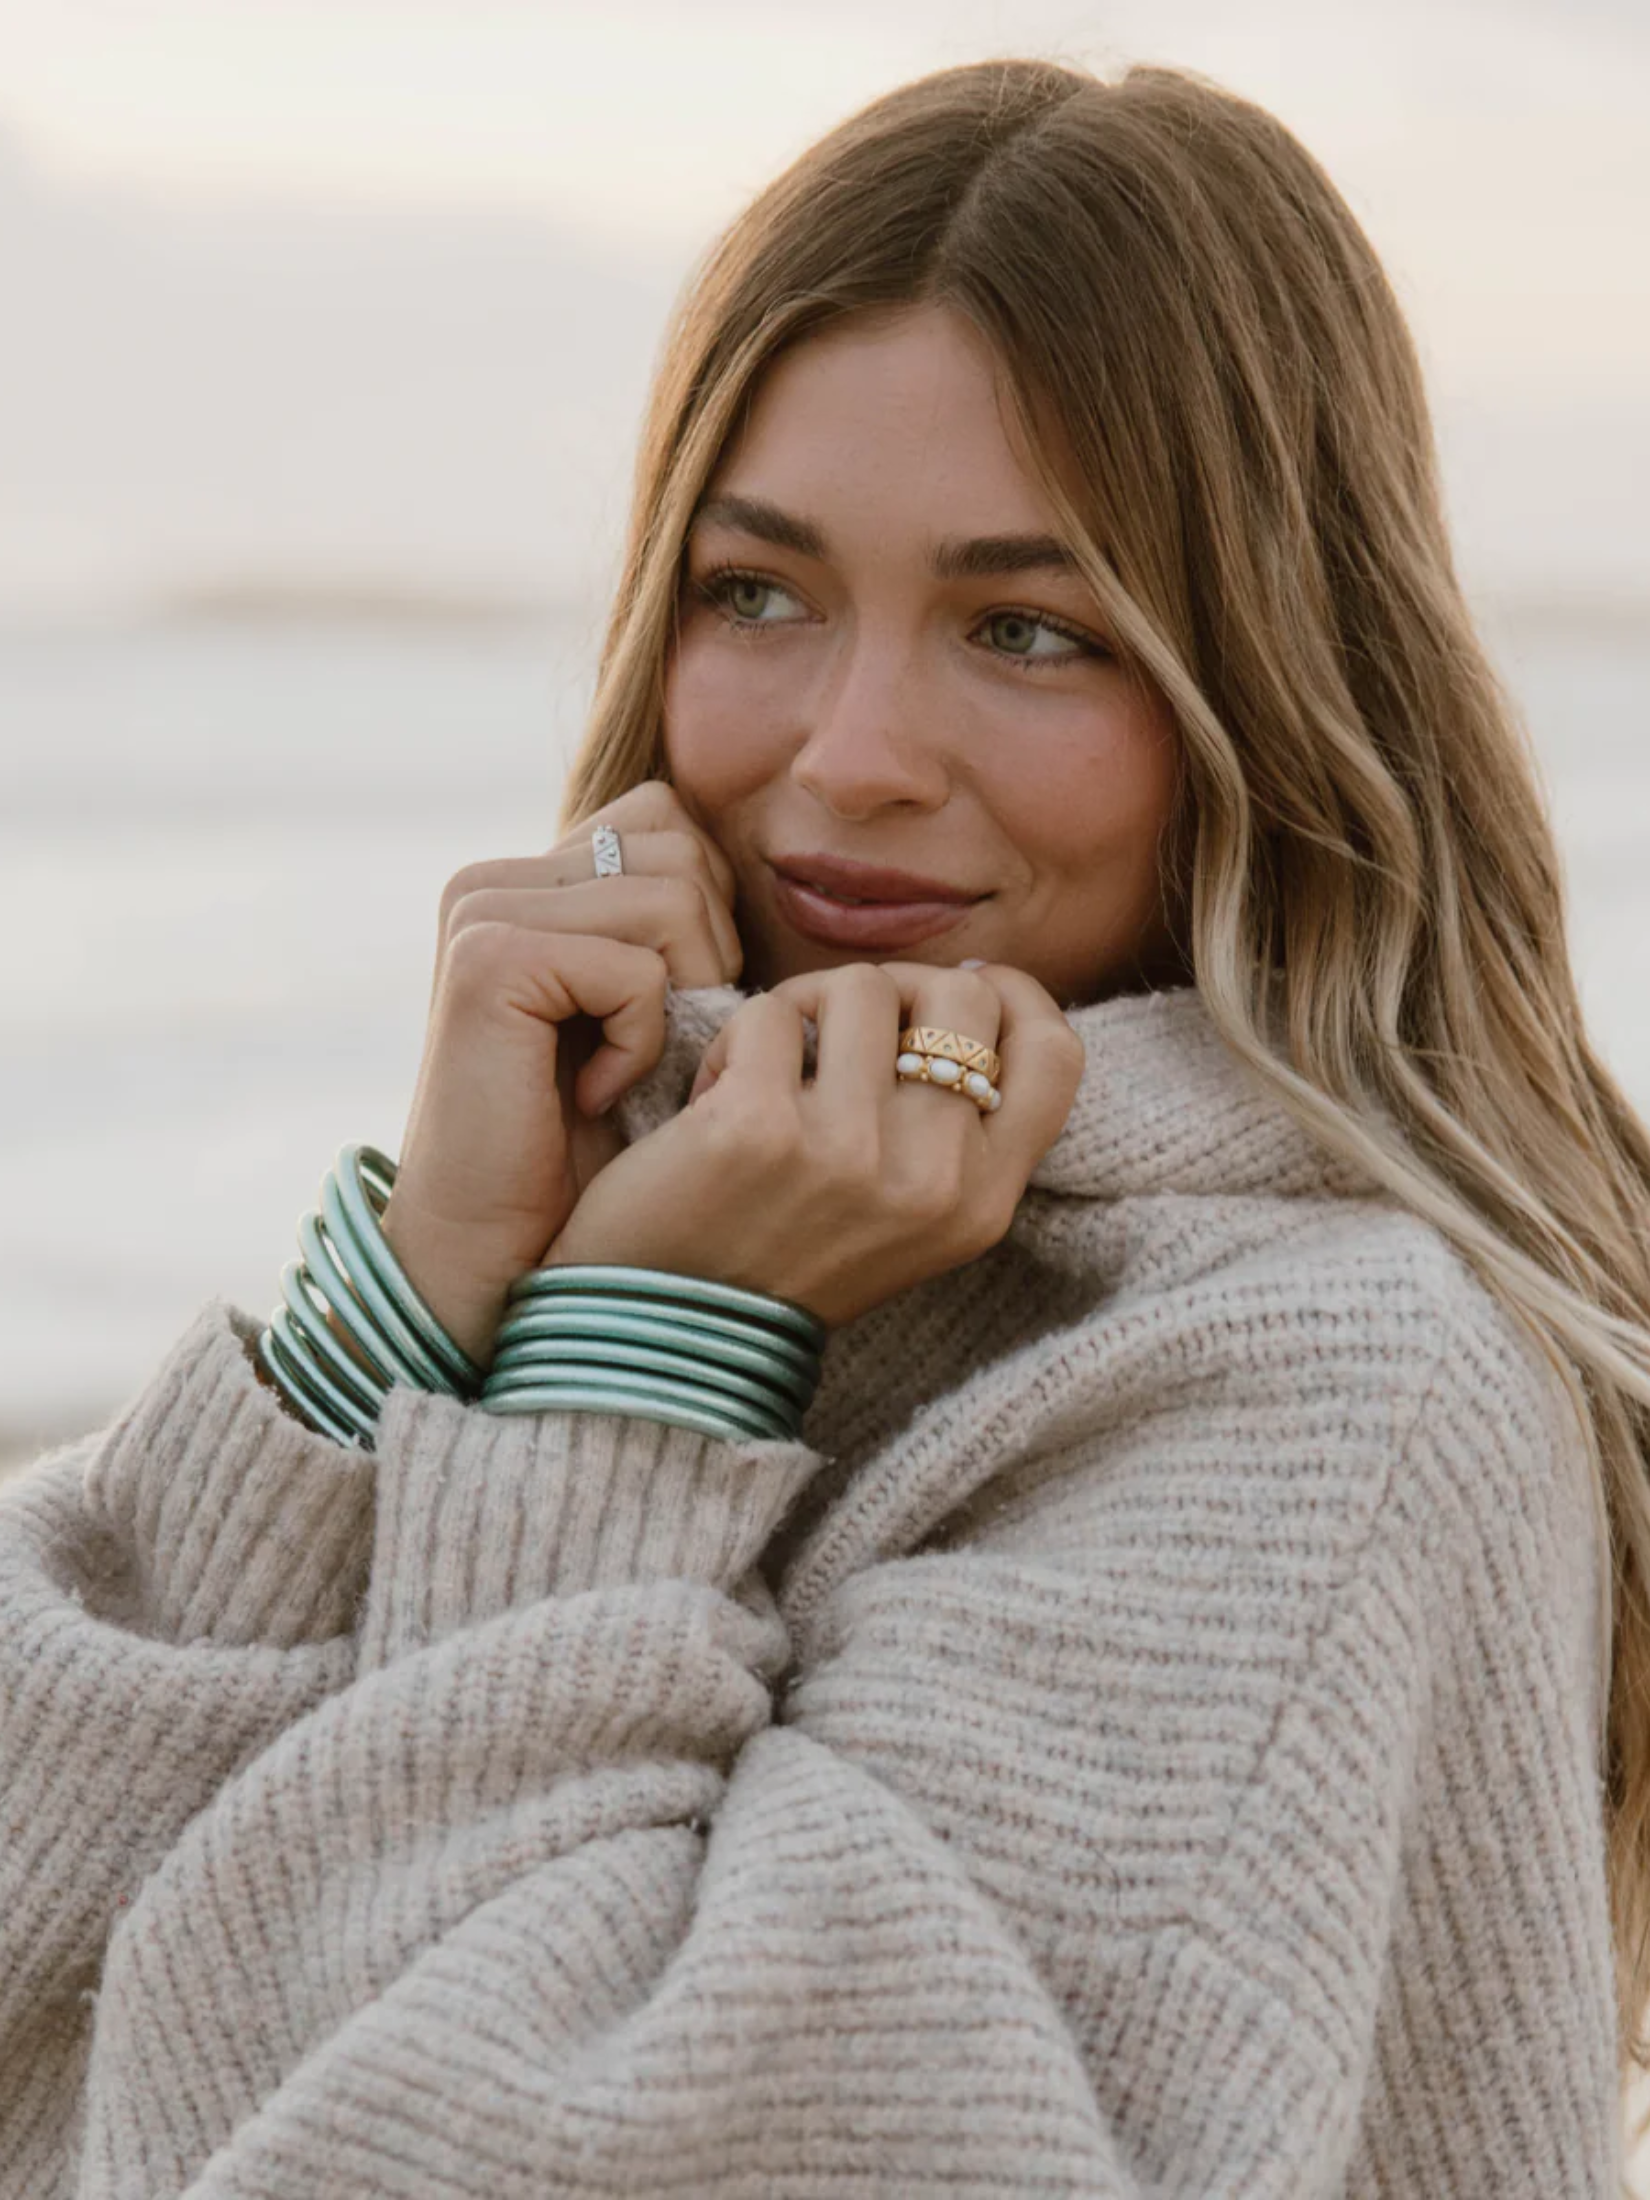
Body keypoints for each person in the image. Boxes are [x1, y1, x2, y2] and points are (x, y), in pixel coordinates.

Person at [3, 52, 1647, 2198]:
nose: (852, 751)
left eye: (1030, 629)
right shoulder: (703, 1192)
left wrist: (633, 1360)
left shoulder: (1332, 1393)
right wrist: (414, 1302)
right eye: (758, 592)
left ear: (1271, 693)